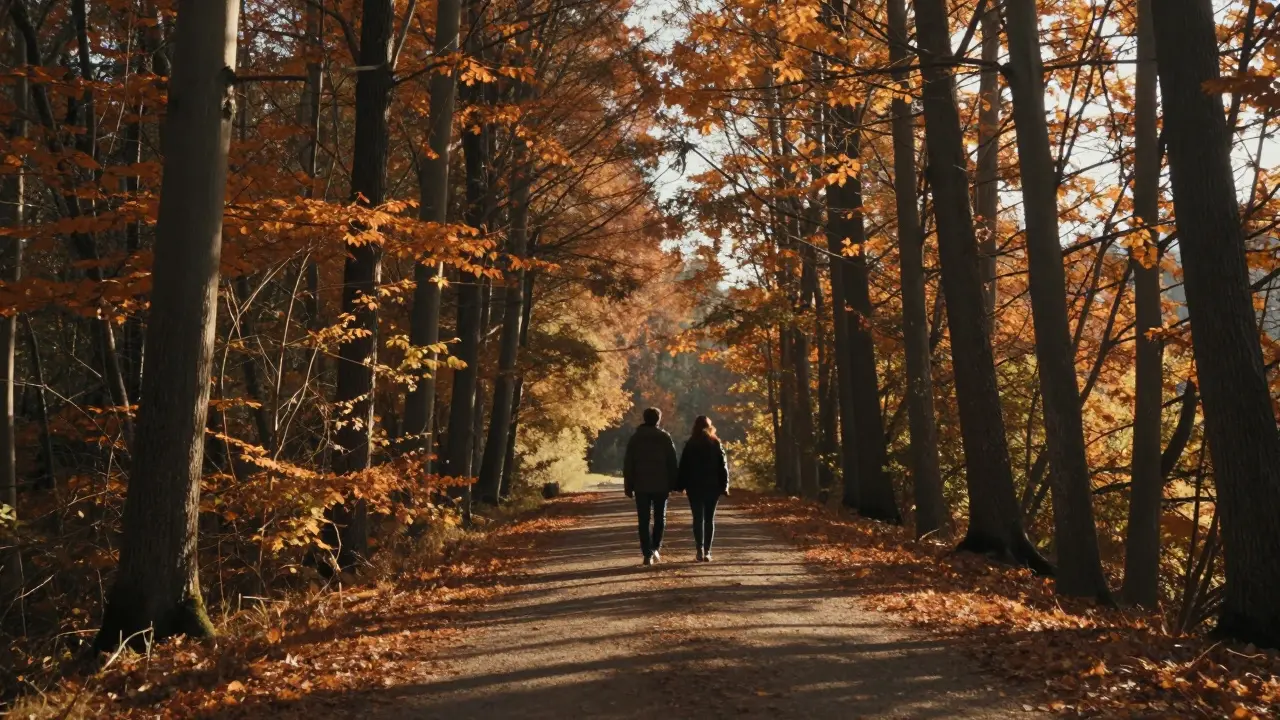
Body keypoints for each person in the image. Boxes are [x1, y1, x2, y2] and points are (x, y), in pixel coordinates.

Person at [623, 407, 679, 566]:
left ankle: (647, 553)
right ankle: (655, 548)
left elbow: (628, 463)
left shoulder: (636, 438)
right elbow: (672, 462)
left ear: (644, 418)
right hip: (661, 484)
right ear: (658, 419)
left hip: (641, 485)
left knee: (643, 519)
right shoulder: (664, 437)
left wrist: (628, 485)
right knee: (660, 518)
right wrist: (674, 483)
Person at [676, 415, 729, 562]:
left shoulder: (690, 444)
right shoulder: (715, 443)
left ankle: (699, 550)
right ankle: (707, 551)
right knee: (709, 519)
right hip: (713, 486)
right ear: (709, 427)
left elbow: (684, 466)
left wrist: (680, 484)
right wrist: (725, 485)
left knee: (697, 518)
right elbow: (723, 466)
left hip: (694, 486)